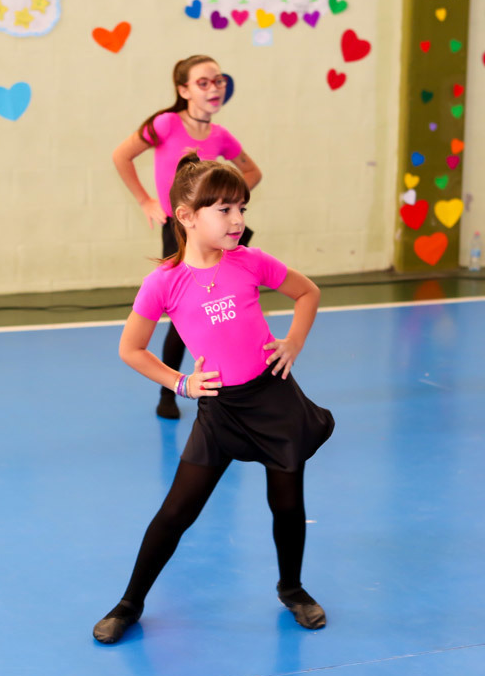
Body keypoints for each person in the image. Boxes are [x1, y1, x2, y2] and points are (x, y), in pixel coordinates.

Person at [93, 154, 333, 644]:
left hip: (274, 399)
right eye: (224, 209)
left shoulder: (250, 262)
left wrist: (293, 342)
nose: (237, 219)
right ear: (186, 216)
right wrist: (180, 383)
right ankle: (130, 603)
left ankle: (292, 589)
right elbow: (131, 349)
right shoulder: (164, 282)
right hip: (220, 410)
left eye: (241, 207)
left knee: (287, 504)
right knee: (177, 512)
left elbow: (307, 292)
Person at [112, 55, 262, 419]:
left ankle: (239, 379)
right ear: (184, 90)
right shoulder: (165, 124)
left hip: (218, 235)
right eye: (203, 83)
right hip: (181, 233)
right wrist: (145, 200)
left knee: (229, 306)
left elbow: (252, 173)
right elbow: (121, 156)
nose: (214, 88)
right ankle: (170, 391)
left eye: (219, 81)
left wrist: (226, 205)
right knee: (184, 316)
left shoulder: (220, 136)